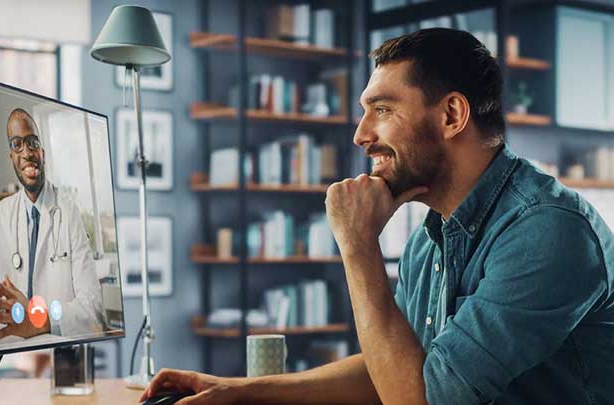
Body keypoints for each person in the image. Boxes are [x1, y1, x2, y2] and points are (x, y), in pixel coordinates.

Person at [141, 28, 614, 404]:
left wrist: (358, 244)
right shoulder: (430, 236)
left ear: (451, 115)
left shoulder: (546, 231)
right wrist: (236, 392)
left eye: (381, 109)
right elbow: (393, 370)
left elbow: (420, 401)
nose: (360, 135)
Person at [0, 108, 105, 344]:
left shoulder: (68, 212)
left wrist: (39, 319)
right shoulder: (1, 213)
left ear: (43, 154)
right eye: (17, 145)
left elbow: (92, 305)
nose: (26, 152)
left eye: (32, 143)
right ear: (11, 157)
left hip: (57, 350)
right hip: (12, 353)